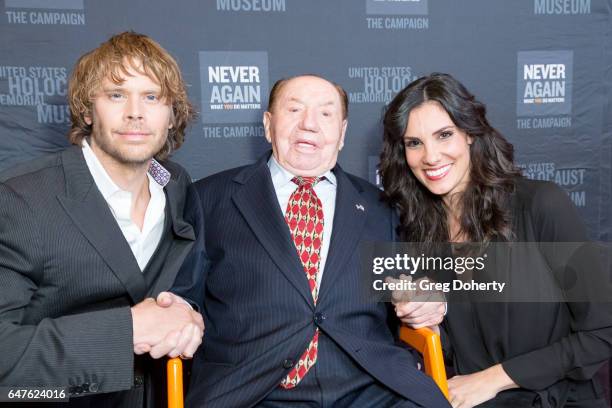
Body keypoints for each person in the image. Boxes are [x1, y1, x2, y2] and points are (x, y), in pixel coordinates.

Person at [172, 74, 450, 407]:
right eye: (294, 110)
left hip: (369, 388)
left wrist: (428, 300)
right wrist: (179, 312)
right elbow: (181, 296)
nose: (309, 124)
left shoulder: (381, 207)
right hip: (254, 391)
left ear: (342, 133)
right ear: (267, 124)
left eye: (325, 114)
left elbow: (409, 286)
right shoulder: (209, 199)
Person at [379, 72, 612, 407]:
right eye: (414, 143)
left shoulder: (540, 204)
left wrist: (492, 379)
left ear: (470, 134)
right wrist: (420, 315)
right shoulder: (417, 231)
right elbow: (439, 351)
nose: (430, 157)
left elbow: (601, 333)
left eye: (444, 135)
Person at [0, 32, 204, 407]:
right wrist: (127, 330)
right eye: (116, 95)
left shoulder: (175, 185)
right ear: (88, 110)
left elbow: (188, 280)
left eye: (152, 97)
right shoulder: (18, 200)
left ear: (172, 114)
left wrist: (186, 312)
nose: (135, 113)